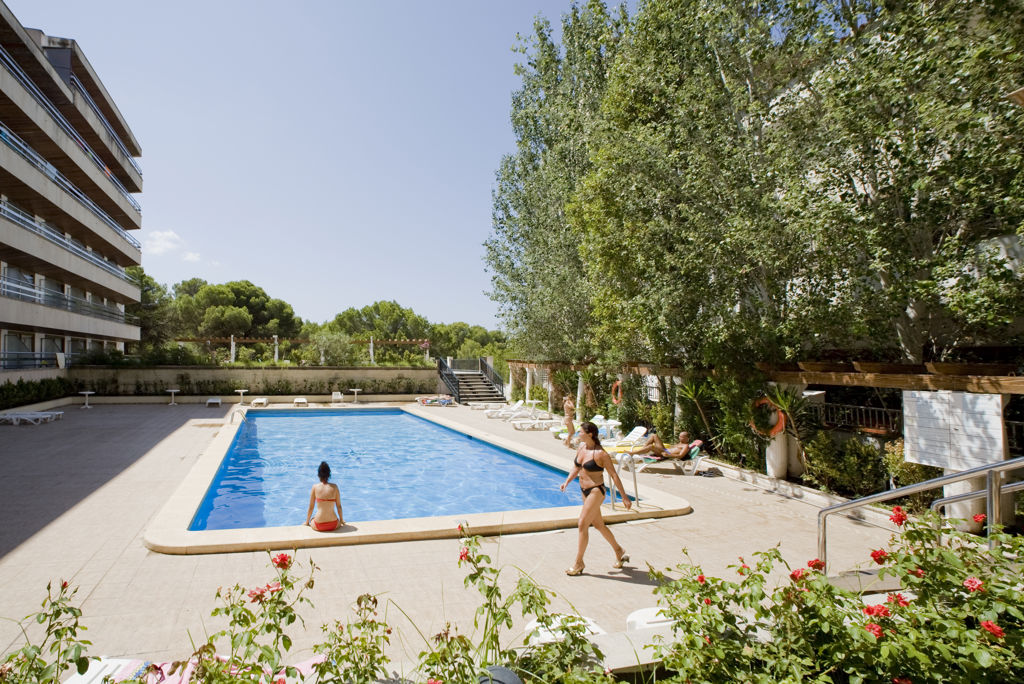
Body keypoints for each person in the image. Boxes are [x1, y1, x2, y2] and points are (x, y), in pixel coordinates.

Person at [559, 421, 632, 576]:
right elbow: (577, 468)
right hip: (583, 490)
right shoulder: (581, 448)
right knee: (599, 525)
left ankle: (579, 563)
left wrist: (624, 497)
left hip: (596, 491)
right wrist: (567, 481)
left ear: (590, 434)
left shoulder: (601, 454)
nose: (578, 434)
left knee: (582, 524)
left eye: (580, 432)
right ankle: (619, 550)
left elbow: (613, 475)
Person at [306, 461, 344, 531]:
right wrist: (341, 520)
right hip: (333, 524)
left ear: (319, 474)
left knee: (312, 519)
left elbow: (311, 507)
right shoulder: (335, 487)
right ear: (329, 474)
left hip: (319, 525)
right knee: (337, 519)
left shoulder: (315, 487)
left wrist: (307, 522)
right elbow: (339, 506)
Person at [628, 430, 697, 459]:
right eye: (679, 436)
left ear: (687, 438)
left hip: (665, 453)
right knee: (654, 435)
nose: (679, 437)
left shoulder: (686, 446)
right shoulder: (680, 443)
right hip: (665, 450)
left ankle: (633, 453)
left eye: (682, 437)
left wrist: (669, 455)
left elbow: (680, 455)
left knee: (651, 446)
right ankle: (642, 450)